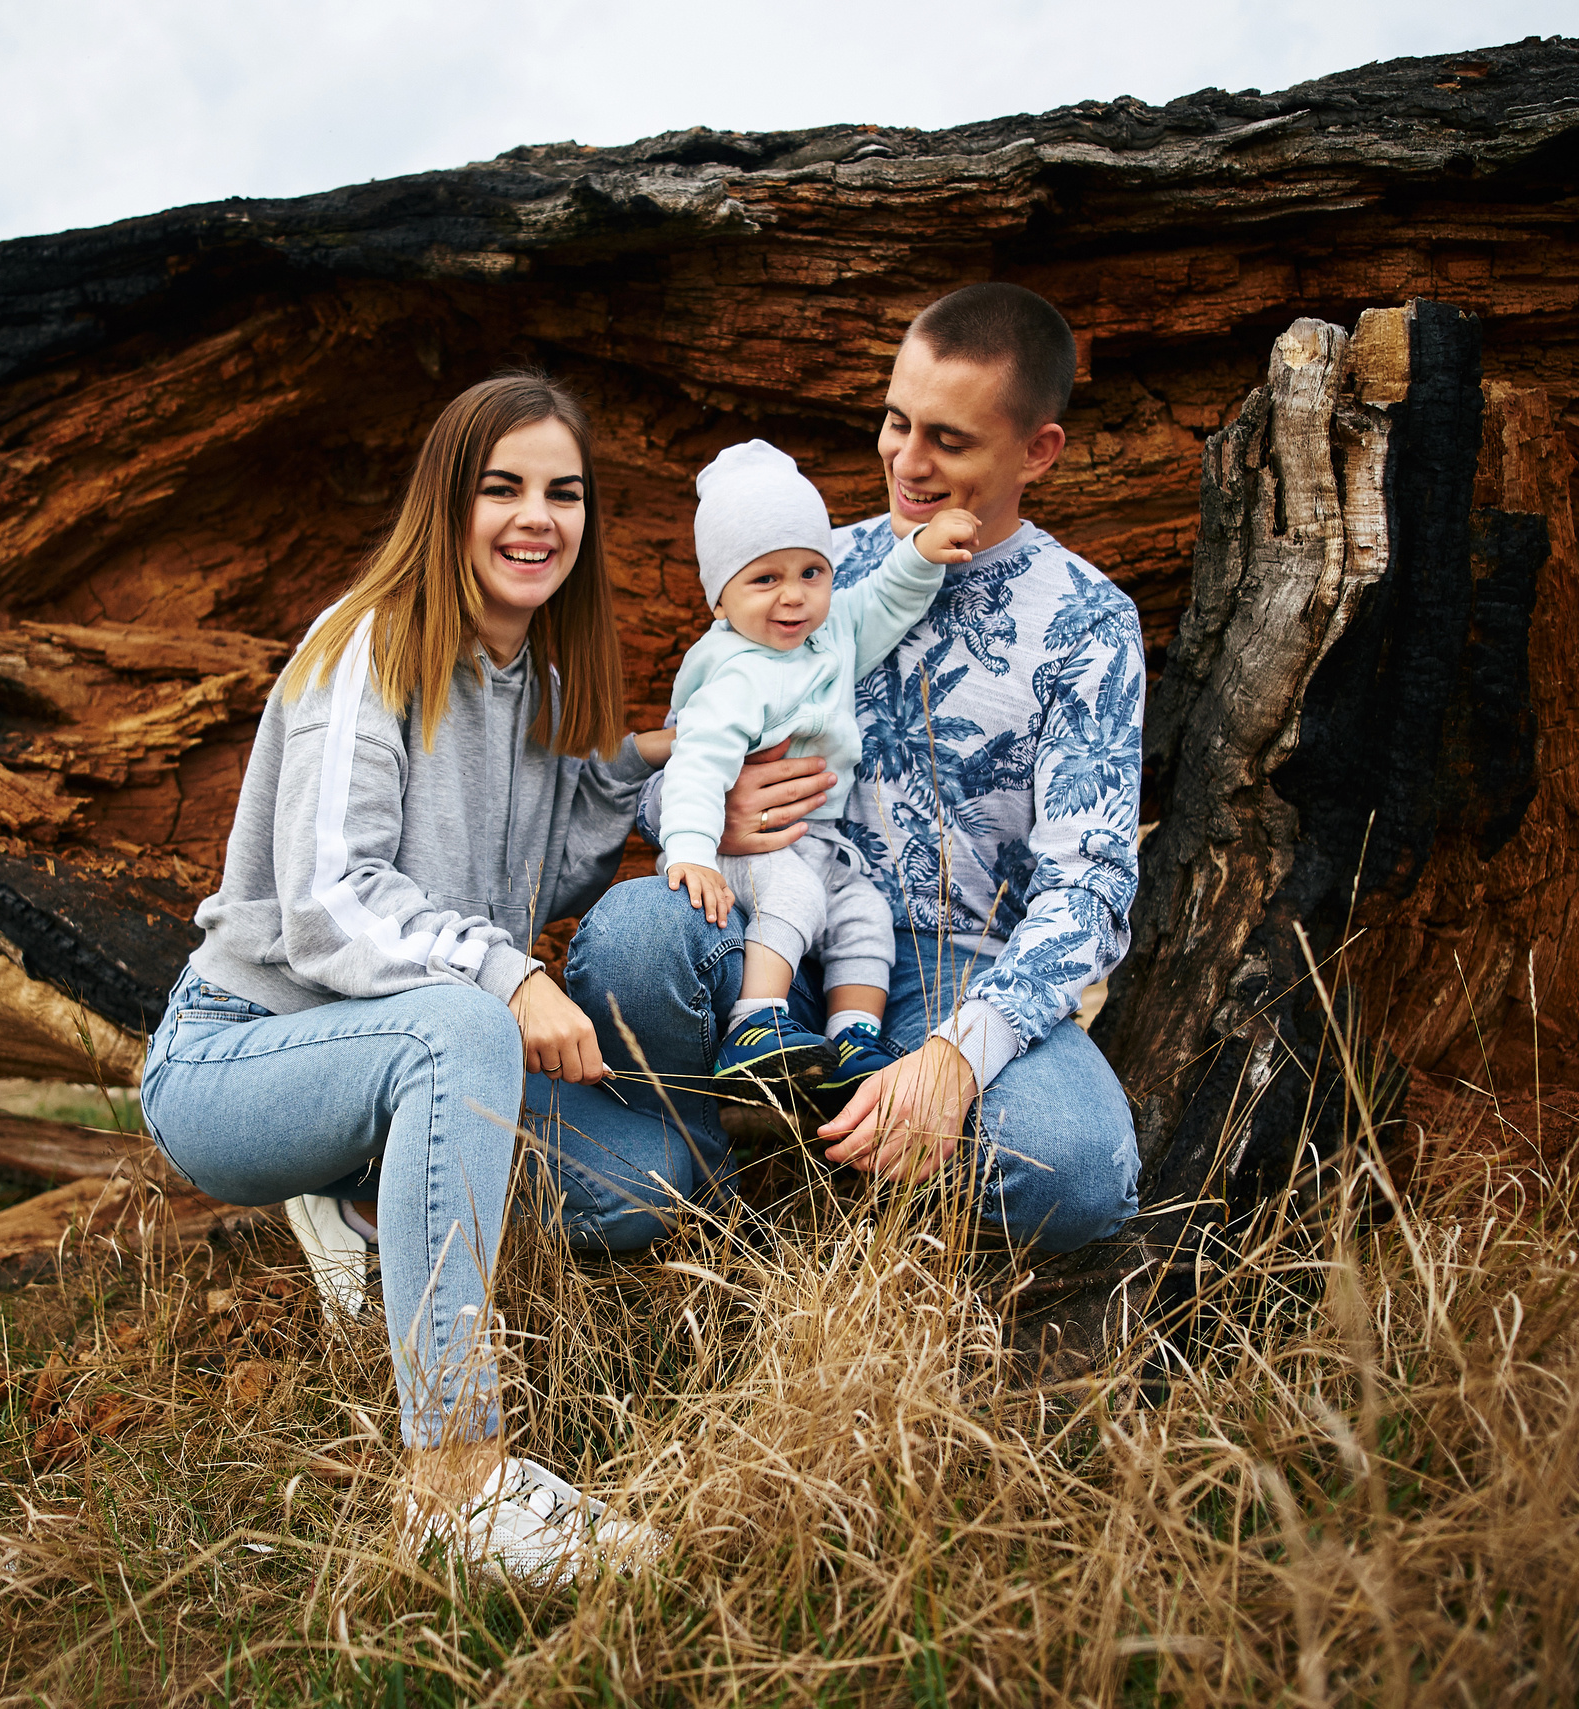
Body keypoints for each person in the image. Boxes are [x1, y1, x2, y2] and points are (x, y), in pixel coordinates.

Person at [137, 371, 670, 1584]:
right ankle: (457, 1483)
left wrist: (657, 764)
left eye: (563, 493)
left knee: (650, 1182)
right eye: (503, 488)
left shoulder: (536, 680)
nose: (536, 518)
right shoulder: (363, 645)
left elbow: (551, 870)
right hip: (242, 1055)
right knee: (463, 1026)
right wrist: (508, 976)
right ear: (448, 501)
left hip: (409, 1043)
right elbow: (328, 909)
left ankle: (370, 1198)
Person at [536, 282, 1144, 1255]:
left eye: (947, 439)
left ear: (1037, 450)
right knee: (629, 938)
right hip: (769, 926)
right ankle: (701, 1186)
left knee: (1072, 1170)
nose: (905, 461)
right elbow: (689, 747)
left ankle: (882, 1155)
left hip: (955, 971)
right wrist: (713, 812)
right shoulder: (807, 562)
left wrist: (957, 1054)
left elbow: (1093, 882)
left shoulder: (1085, 620)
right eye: (895, 421)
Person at [654, 439, 980, 1102]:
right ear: (719, 599)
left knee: (865, 910)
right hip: (748, 849)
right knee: (797, 895)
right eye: (765, 579)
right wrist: (689, 847)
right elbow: (696, 762)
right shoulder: (736, 674)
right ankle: (755, 1022)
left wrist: (920, 550)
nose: (794, 596)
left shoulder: (830, 636)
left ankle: (853, 1032)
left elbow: (886, 599)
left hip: (823, 843)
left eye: (811, 572)